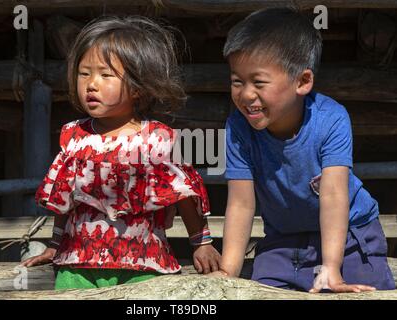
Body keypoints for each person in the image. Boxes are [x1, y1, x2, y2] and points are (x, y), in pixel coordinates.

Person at [21, 16, 221, 290]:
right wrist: (56, 244)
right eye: (84, 73)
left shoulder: (158, 140)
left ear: (138, 88)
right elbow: (65, 199)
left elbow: (184, 194)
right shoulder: (74, 137)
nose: (92, 84)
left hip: (144, 264)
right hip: (78, 266)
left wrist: (201, 243)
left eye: (105, 75)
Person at [210, 7, 395, 293]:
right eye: (237, 81)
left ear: (303, 81)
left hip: (349, 235)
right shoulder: (238, 127)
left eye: (258, 82)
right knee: (261, 292)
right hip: (283, 240)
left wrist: (331, 268)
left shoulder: (331, 119)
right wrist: (229, 271)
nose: (246, 94)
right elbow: (241, 203)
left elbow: (333, 195)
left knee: (362, 290)